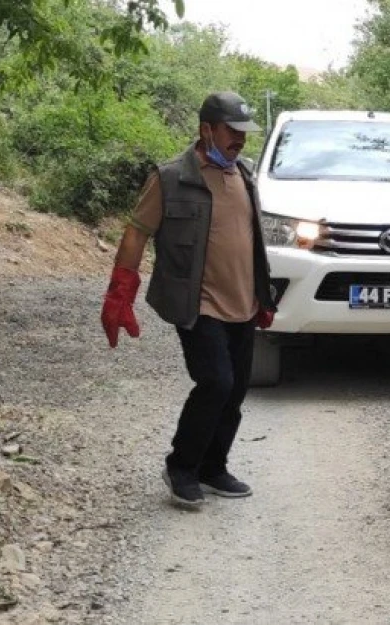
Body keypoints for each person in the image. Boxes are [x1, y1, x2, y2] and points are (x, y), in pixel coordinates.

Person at [100, 91, 276, 509]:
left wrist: (264, 295)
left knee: (234, 392)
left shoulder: (245, 175)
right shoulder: (171, 177)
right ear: (206, 129)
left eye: (244, 133)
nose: (240, 140)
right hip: (199, 304)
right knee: (215, 382)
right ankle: (181, 467)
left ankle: (214, 468)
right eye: (232, 132)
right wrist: (120, 293)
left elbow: (251, 242)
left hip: (243, 302)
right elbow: (136, 232)